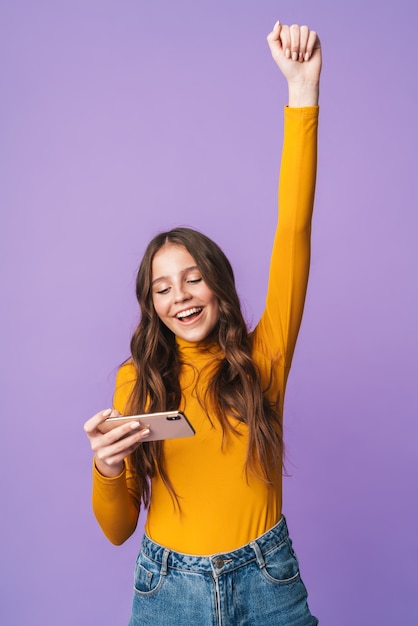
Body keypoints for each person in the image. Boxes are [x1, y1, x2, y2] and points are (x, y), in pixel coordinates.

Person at [84, 19, 321, 626]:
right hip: (169, 587)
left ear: (218, 283)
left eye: (193, 277)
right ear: (151, 306)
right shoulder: (135, 380)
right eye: (162, 288)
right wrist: (108, 468)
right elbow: (116, 532)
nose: (181, 297)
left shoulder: (264, 355)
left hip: (268, 577)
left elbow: (293, 231)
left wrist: (302, 94)